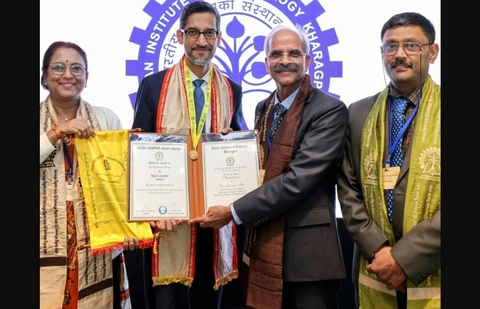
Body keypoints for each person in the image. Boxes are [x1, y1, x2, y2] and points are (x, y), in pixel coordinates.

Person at [190, 23, 348, 309]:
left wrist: (233, 211)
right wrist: (232, 148)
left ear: (307, 61)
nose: (285, 60)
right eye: (276, 54)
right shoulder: (263, 107)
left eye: (293, 53)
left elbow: (297, 180)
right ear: (266, 63)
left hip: (308, 258)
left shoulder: (329, 110)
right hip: (264, 246)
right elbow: (259, 168)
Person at [128, 2, 245, 309]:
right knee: (169, 301)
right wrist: (150, 208)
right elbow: (138, 152)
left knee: (207, 299)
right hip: (167, 221)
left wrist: (236, 143)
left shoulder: (232, 89)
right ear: (180, 36)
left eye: (209, 33)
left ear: (219, 38)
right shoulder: (154, 85)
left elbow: (239, 142)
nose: (201, 41)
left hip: (211, 221)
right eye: (193, 32)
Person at [336, 12, 440, 309]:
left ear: (432, 52)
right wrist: (379, 249)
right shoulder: (358, 113)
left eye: (412, 45)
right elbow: (347, 185)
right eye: (390, 47)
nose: (400, 55)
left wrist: (405, 258)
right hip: (375, 264)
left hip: (437, 266)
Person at [39, 41, 132, 308]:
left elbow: (121, 182)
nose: (68, 74)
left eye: (76, 68)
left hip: (96, 244)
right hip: (47, 240)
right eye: (58, 67)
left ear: (87, 77)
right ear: (44, 76)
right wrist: (55, 133)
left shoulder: (105, 119)